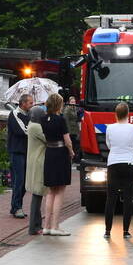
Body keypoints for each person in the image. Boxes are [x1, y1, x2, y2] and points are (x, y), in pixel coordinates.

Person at [104, 102, 133, 239]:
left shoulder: (110, 128)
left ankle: (108, 230)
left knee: (111, 197)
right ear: (128, 113)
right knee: (129, 197)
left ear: (116, 114)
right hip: (130, 162)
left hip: (113, 163)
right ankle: (126, 231)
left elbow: (109, 144)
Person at [41, 93, 74, 235]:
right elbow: (67, 141)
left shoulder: (43, 119)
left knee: (50, 191)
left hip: (49, 153)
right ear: (58, 105)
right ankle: (55, 226)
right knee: (60, 191)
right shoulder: (60, 120)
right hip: (60, 154)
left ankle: (46, 226)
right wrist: (71, 152)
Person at [7, 93, 34, 218]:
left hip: (27, 151)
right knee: (19, 180)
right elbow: (23, 131)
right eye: (30, 103)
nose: (32, 105)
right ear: (23, 103)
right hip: (17, 151)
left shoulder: (28, 115)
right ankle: (17, 207)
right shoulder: (15, 114)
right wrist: (34, 130)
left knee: (25, 182)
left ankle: (15, 206)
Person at [25, 105, 48, 235]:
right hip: (38, 161)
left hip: (34, 160)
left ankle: (37, 225)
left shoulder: (32, 125)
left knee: (37, 194)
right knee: (37, 194)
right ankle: (34, 226)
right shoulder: (36, 127)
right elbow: (48, 138)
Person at [62, 96, 84, 163]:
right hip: (70, 129)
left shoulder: (75, 108)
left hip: (75, 129)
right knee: (71, 143)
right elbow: (66, 120)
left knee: (75, 144)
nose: (73, 103)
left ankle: (74, 158)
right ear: (69, 102)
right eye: (72, 102)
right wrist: (67, 131)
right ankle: (71, 158)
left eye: (74, 102)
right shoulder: (67, 109)